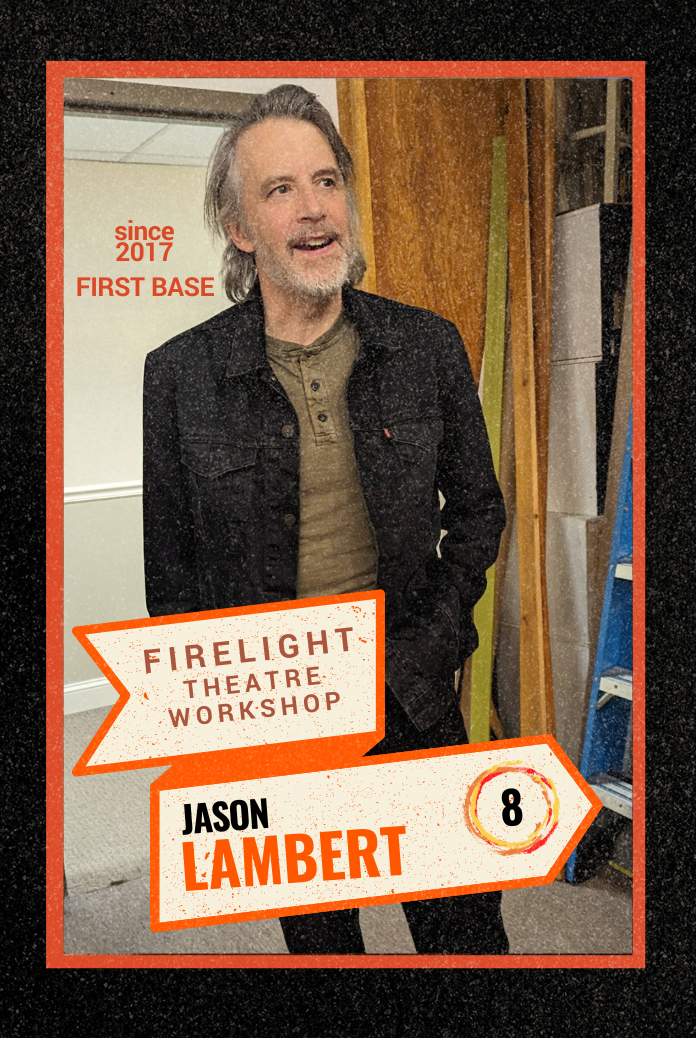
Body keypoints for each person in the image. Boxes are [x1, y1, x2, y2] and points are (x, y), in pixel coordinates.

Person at [143, 84, 508, 955]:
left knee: (465, 934)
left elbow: (479, 510)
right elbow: (173, 578)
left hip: (410, 692)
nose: (313, 210)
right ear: (240, 229)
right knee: (321, 940)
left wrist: (435, 637)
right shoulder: (180, 376)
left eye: (326, 182)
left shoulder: (427, 346)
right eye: (280, 191)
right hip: (278, 714)